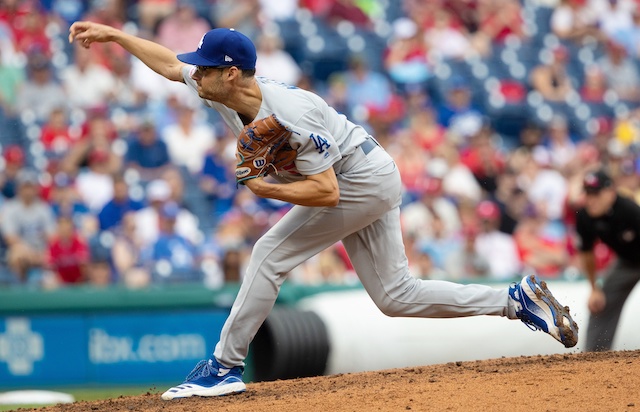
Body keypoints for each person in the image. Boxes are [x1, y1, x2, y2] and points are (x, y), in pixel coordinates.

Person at [68, 21, 579, 400]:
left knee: (269, 252)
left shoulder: (290, 112)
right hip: (367, 171)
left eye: (203, 67)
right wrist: (115, 36)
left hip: (359, 179)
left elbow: (328, 193)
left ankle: (224, 366)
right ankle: (517, 301)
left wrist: (268, 192)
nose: (193, 73)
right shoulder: (217, 89)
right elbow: (165, 62)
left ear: (229, 73)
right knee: (396, 296)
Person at [575, 169, 640, 352]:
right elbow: (586, 253)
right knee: (600, 303)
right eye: (587, 194)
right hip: (627, 262)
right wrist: (594, 289)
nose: (591, 199)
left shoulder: (629, 210)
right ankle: (594, 361)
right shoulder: (585, 216)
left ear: (611, 192)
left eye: (595, 193)